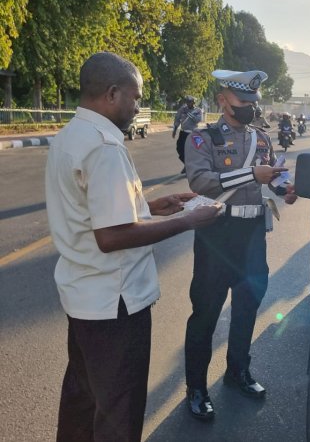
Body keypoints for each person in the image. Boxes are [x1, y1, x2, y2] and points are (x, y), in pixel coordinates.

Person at [45, 52, 223, 442]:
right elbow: (111, 238)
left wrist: (152, 207)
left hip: (85, 299)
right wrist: (186, 221)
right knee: (117, 415)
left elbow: (94, 213)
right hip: (115, 305)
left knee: (82, 402)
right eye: (136, 98)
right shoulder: (105, 146)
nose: (138, 107)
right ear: (112, 94)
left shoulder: (71, 135)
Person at [183, 69, 297, 421]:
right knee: (206, 314)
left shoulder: (261, 138)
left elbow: (271, 174)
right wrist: (251, 175)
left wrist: (285, 189)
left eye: (253, 102)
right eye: (242, 102)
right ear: (222, 100)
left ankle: (238, 372)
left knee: (247, 308)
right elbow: (201, 182)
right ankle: (197, 387)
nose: (249, 107)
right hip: (217, 234)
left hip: (251, 236)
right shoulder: (202, 139)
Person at [172, 95, 203, 173]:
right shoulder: (182, 109)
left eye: (190, 102)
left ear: (193, 102)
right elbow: (177, 119)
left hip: (193, 133)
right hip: (183, 132)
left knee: (192, 151)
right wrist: (175, 130)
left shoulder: (198, 111)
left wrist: (189, 114)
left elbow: (198, 120)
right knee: (179, 148)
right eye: (187, 102)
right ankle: (187, 164)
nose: (188, 103)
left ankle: (192, 166)